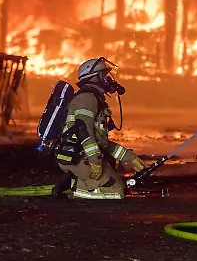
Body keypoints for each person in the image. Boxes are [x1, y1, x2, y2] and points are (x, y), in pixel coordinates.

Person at [51, 57, 149, 199]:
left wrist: (130, 158)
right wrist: (95, 161)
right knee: (116, 191)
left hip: (83, 154)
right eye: (104, 76)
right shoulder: (86, 99)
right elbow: (83, 131)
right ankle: (73, 184)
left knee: (116, 182)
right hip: (76, 156)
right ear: (94, 78)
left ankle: (80, 180)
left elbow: (102, 143)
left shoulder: (94, 98)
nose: (108, 80)